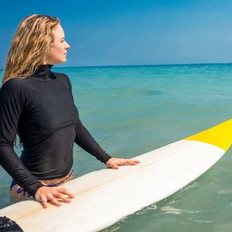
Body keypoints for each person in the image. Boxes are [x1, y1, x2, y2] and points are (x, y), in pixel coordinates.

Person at [0, 14, 140, 209]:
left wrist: (106, 158)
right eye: (62, 40)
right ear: (41, 43)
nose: (68, 46)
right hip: (31, 188)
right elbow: (2, 144)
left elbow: (75, 126)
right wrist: (36, 188)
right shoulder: (16, 87)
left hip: (67, 180)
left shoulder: (63, 81)